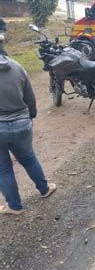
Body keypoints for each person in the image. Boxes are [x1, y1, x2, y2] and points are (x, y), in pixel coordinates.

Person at [0, 55, 56, 215]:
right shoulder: (16, 66)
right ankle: (44, 189)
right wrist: (31, 116)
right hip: (21, 123)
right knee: (29, 158)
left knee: (3, 169)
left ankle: (14, 206)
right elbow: (30, 96)